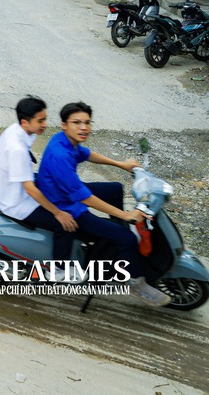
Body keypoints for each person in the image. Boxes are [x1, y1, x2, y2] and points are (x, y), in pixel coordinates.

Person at [36, 102, 171, 307]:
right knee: (125, 237)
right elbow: (85, 198)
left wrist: (121, 164)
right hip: (66, 205)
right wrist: (125, 215)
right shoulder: (60, 155)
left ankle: (113, 236)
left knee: (115, 188)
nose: (84, 128)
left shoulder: (65, 140)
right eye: (77, 123)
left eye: (87, 123)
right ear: (64, 124)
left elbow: (87, 154)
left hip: (66, 191)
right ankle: (135, 282)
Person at [0, 96, 78, 264]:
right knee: (64, 225)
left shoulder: (16, 130)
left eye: (45, 119)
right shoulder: (17, 149)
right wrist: (58, 213)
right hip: (16, 201)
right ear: (25, 122)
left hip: (12, 186)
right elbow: (30, 189)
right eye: (40, 121)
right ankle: (59, 271)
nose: (45, 124)